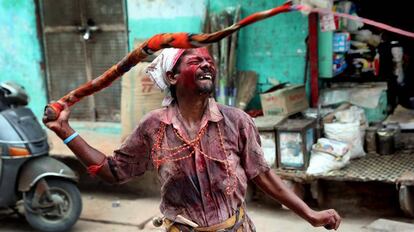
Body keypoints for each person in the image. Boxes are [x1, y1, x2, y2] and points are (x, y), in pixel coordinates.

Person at [43, 47, 341, 232]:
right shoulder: (153, 126)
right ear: (172, 77)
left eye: (209, 61)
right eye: (195, 61)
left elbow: (263, 176)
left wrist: (310, 215)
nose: (206, 64)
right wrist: (66, 132)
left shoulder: (237, 121)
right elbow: (113, 172)